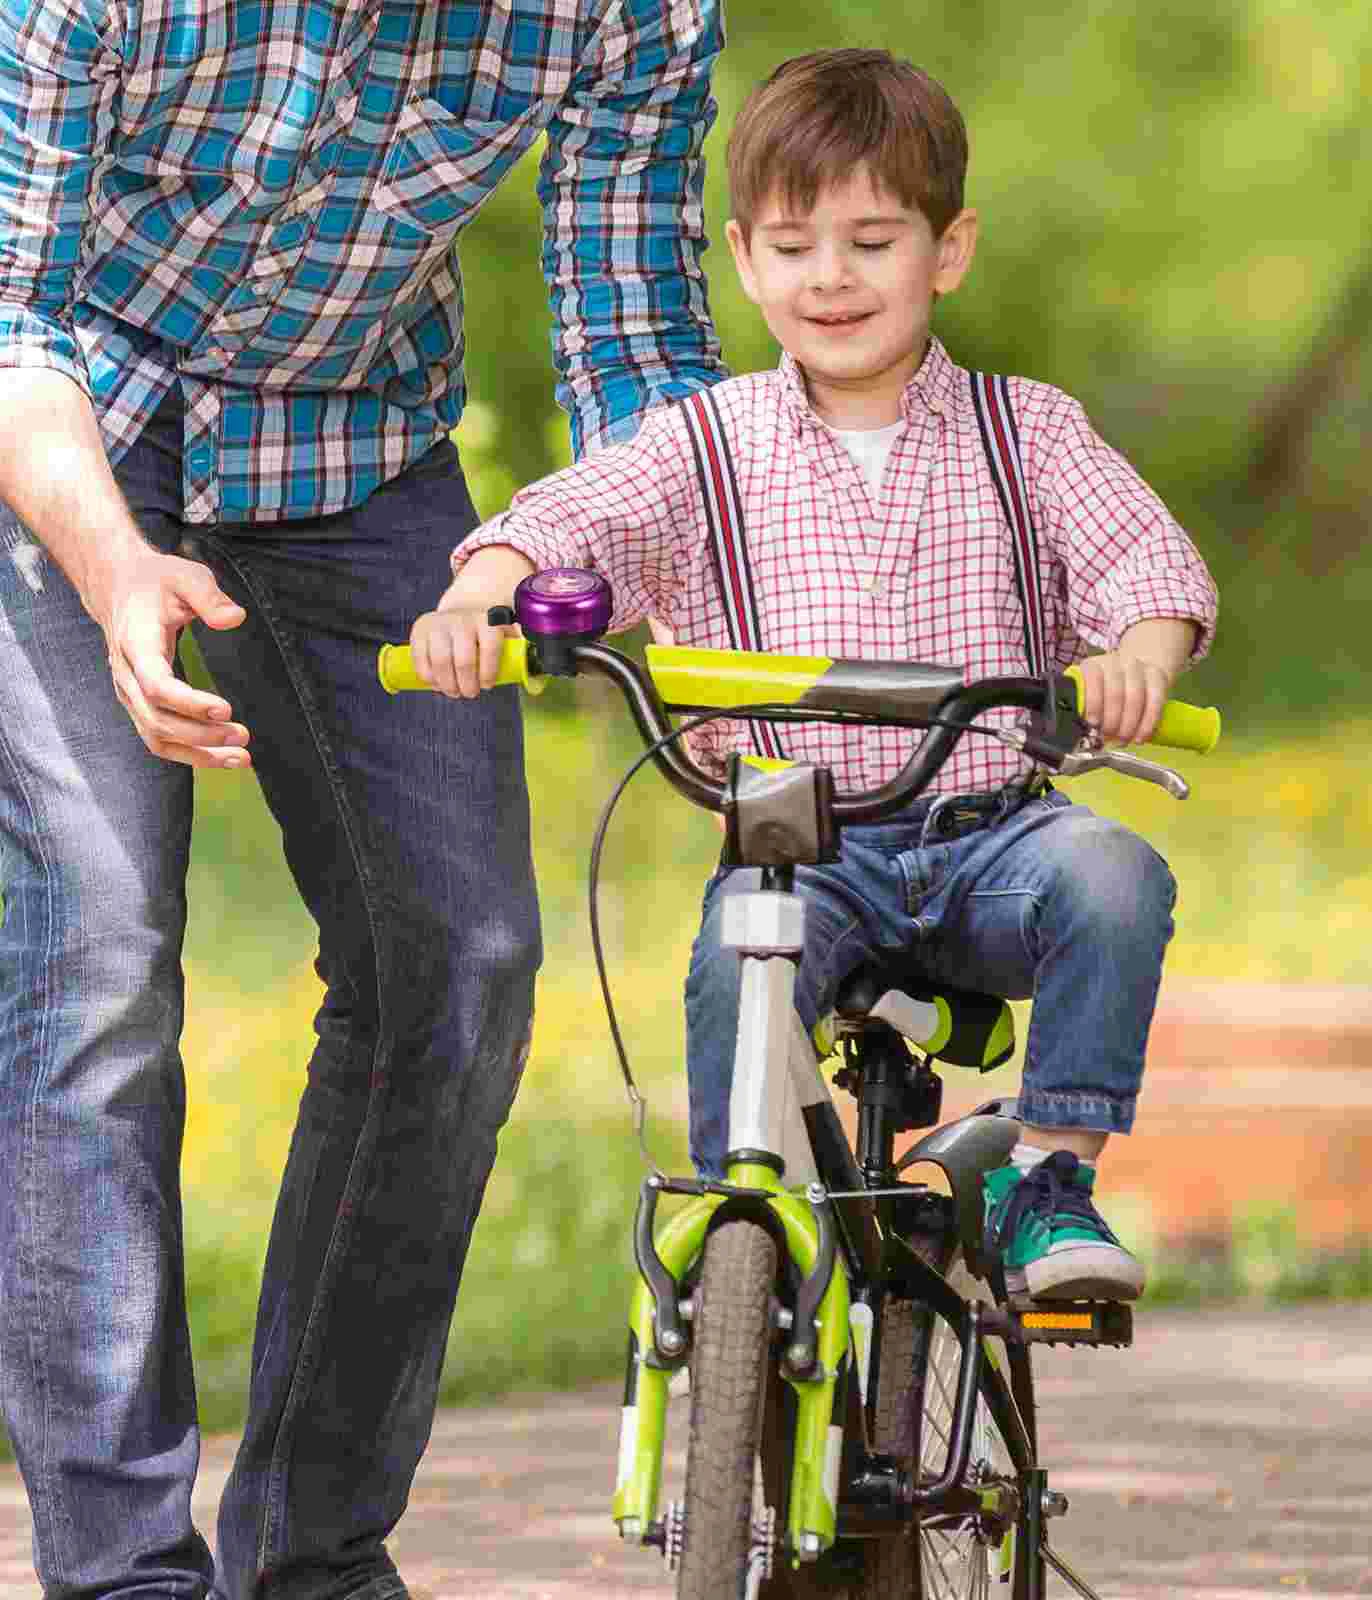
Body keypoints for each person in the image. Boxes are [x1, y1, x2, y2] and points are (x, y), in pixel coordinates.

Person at [0, 0, 724, 1595]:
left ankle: (311, 1556)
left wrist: (710, 603)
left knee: (458, 967)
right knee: (97, 968)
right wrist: (114, 565)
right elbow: (11, 316)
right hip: (77, 438)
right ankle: (122, 1574)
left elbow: (635, 343)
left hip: (359, 450)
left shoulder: (628, 16)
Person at [412, 48, 1218, 1307]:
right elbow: (576, 517)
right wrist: (482, 593)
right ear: (743, 259)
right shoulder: (705, 442)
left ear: (947, 251)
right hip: (802, 846)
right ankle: (753, 1221)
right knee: (741, 945)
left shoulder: (1029, 431)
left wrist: (1134, 660)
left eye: (871, 240)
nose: (829, 277)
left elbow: (1148, 567)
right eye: (792, 247)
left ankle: (1046, 1182)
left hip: (992, 834)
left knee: (1114, 875)